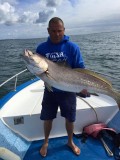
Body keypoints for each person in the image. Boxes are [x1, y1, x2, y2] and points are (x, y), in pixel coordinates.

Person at [36, 17, 86, 157]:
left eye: (59, 31)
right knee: (47, 117)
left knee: (70, 118)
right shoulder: (41, 48)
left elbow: (80, 69)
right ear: (48, 30)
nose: (57, 34)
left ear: (64, 30)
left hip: (69, 90)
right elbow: (38, 68)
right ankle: (45, 141)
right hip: (50, 89)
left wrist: (82, 87)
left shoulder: (72, 47)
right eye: (53, 31)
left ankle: (70, 141)